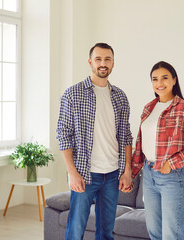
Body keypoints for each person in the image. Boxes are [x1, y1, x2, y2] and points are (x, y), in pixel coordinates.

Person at [56, 43, 133, 240]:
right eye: (98, 59)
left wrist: (127, 171)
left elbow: (125, 136)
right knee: (75, 230)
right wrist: (72, 173)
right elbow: (63, 134)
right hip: (84, 174)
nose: (103, 63)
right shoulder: (73, 94)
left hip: (112, 175)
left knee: (106, 232)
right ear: (90, 62)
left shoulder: (120, 97)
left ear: (113, 63)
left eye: (107, 59)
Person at [131, 61, 184, 240]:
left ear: (174, 80)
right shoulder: (148, 108)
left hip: (172, 178)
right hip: (149, 176)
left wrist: (170, 164)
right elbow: (141, 145)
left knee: (171, 235)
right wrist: (133, 174)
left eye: (165, 78)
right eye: (154, 79)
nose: (160, 83)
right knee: (154, 233)